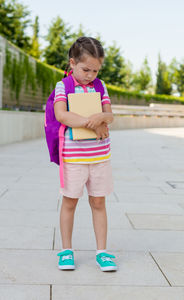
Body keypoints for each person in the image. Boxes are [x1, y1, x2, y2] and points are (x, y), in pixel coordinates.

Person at [54, 36, 117, 272]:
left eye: (95, 70)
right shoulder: (64, 86)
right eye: (85, 69)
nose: (90, 75)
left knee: (99, 201)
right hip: (74, 158)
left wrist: (102, 117)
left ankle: (102, 251)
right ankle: (66, 250)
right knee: (70, 202)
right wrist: (91, 122)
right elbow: (62, 115)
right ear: (72, 63)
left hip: (100, 157)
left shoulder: (100, 87)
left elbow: (110, 115)